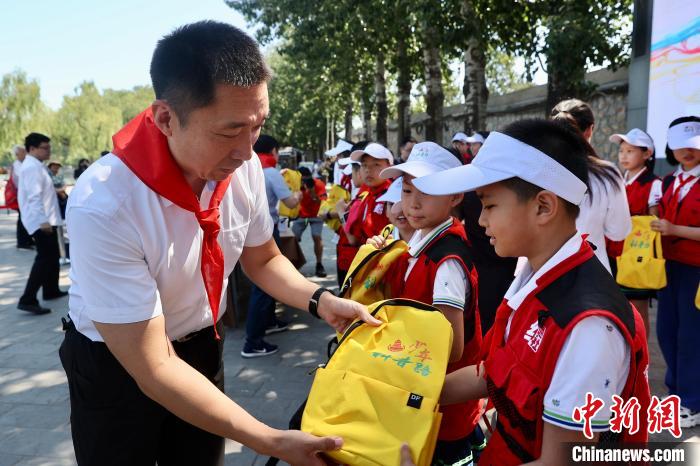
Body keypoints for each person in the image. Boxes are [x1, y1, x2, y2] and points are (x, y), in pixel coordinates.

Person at [59, 21, 380, 466]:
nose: (247, 150)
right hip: (118, 362)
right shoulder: (106, 202)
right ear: (166, 118)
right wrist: (268, 439)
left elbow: (263, 258)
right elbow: (152, 367)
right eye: (230, 131)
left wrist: (320, 300)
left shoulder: (239, 168)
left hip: (199, 345)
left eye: (258, 125)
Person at [414, 119, 650, 466]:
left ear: (543, 207)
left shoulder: (588, 327)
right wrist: (407, 394)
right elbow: (489, 373)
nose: (480, 221)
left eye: (490, 205)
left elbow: (559, 461)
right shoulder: (530, 274)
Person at [370, 142, 482, 466]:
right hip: (425, 394)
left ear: (455, 197)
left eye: (427, 191)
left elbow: (452, 346)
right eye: (406, 191)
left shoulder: (446, 261)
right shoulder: (420, 242)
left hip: (442, 407)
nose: (413, 203)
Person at [651, 116, 700, 429]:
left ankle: (692, 401)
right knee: (666, 331)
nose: (687, 151)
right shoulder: (668, 181)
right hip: (667, 267)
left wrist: (673, 228)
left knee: (691, 336)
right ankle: (676, 393)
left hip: (696, 269)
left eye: (693, 145)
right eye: (680, 145)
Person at [551, 98, 631, 273]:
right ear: (590, 130)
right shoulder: (606, 173)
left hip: (540, 276)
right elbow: (619, 231)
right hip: (591, 274)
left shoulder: (535, 170)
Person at [242, 135, 302, 358]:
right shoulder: (271, 173)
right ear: (274, 151)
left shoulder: (248, 168)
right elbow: (290, 202)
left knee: (262, 284)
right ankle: (253, 341)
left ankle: (268, 321)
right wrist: (297, 193)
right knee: (265, 282)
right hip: (266, 229)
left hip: (248, 231)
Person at [607, 128, 661, 335]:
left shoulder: (654, 184)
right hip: (613, 252)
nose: (624, 156)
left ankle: (641, 358)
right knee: (615, 307)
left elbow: (652, 220)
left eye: (630, 151)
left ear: (647, 154)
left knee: (637, 310)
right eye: (622, 151)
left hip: (636, 255)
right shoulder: (617, 180)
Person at [17, 133, 65, 315]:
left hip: (47, 218)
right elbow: (34, 196)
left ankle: (51, 290)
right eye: (45, 147)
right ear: (32, 149)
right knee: (44, 258)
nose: (49, 151)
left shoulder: (37, 166)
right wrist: (42, 221)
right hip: (40, 221)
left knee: (52, 256)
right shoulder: (31, 167)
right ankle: (27, 299)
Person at [292, 166, 328, 277]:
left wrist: (312, 193)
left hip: (316, 215)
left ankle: (319, 264)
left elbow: (323, 203)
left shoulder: (318, 184)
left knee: (316, 236)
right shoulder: (296, 185)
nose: (303, 182)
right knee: (292, 238)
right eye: (301, 180)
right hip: (301, 215)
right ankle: (292, 265)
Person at [10, 144, 34, 249]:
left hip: (24, 195)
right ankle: (22, 242)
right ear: (17, 154)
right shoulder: (17, 165)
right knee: (22, 219)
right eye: (22, 152)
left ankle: (28, 240)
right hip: (22, 196)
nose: (25, 153)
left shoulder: (23, 164)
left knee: (26, 217)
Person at [376, 177, 414, 242]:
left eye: (404, 203)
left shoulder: (432, 239)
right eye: (392, 204)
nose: (399, 210)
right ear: (386, 211)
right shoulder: (383, 239)